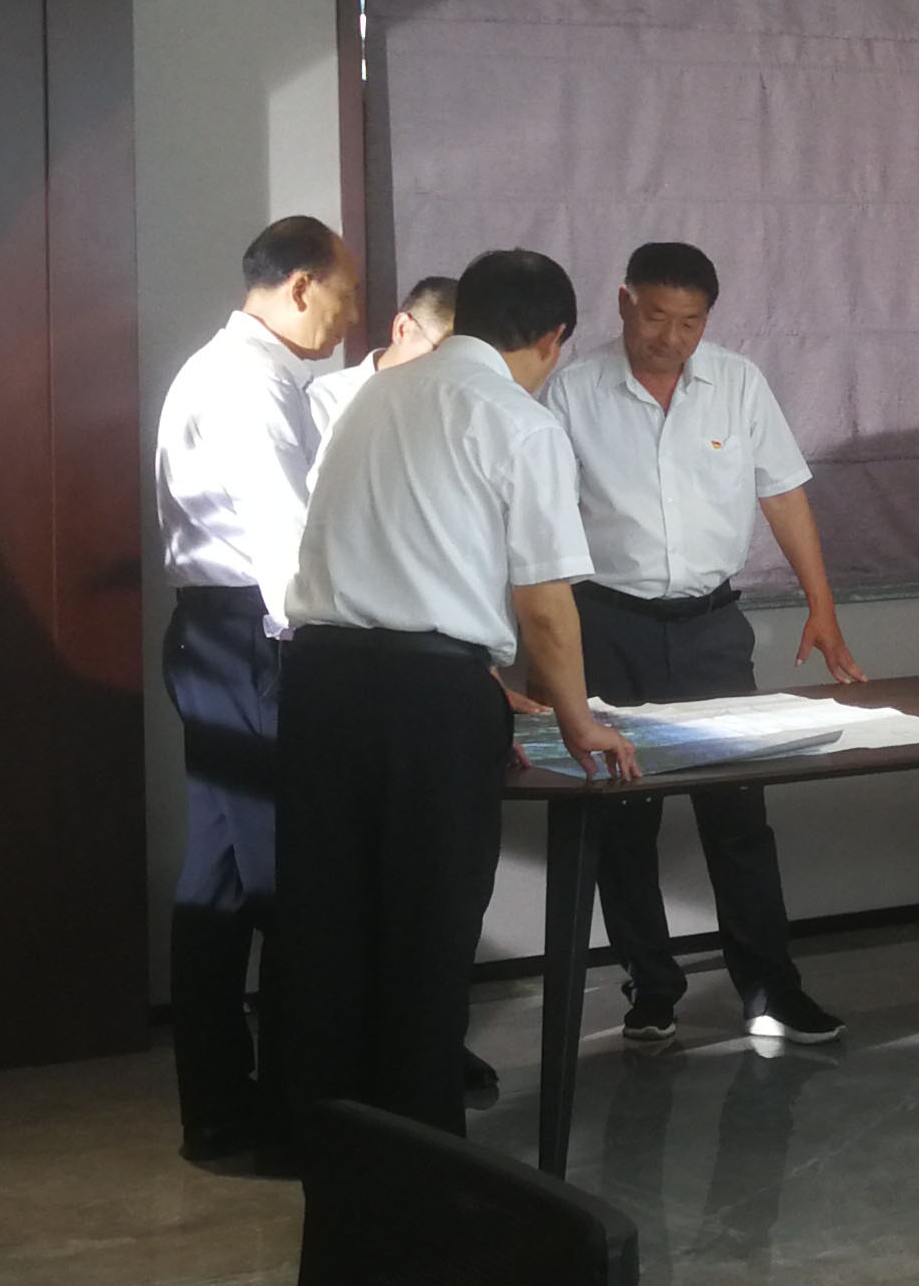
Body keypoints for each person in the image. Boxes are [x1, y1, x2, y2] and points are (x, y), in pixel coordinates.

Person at [278, 248, 639, 1145]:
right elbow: (544, 604)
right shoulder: (517, 422)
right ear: (555, 338)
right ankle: (421, 1158)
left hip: (320, 684)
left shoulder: (374, 397)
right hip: (426, 699)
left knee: (326, 925)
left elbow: (388, 550)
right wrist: (578, 719)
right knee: (427, 931)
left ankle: (318, 1147)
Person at [542, 241, 864, 1051]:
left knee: (738, 814)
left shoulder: (738, 383)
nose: (672, 337)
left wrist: (822, 607)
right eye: (656, 317)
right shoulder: (572, 391)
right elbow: (538, 523)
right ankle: (651, 989)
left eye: (690, 322)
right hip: (608, 624)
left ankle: (770, 987)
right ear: (623, 301)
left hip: (712, 629)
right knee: (624, 819)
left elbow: (783, 495)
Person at [150, 215, 356, 1164]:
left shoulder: (233, 369)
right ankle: (295, 1114)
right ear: (302, 285)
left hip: (219, 637)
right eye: (345, 296)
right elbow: (286, 547)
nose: (348, 319)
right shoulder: (251, 382)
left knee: (220, 884)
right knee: (293, 881)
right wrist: (334, 657)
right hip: (255, 640)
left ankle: (218, 1109)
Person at [304, 273, 455, 443]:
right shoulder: (319, 404)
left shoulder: (457, 415)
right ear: (403, 329)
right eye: (443, 354)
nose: (450, 372)